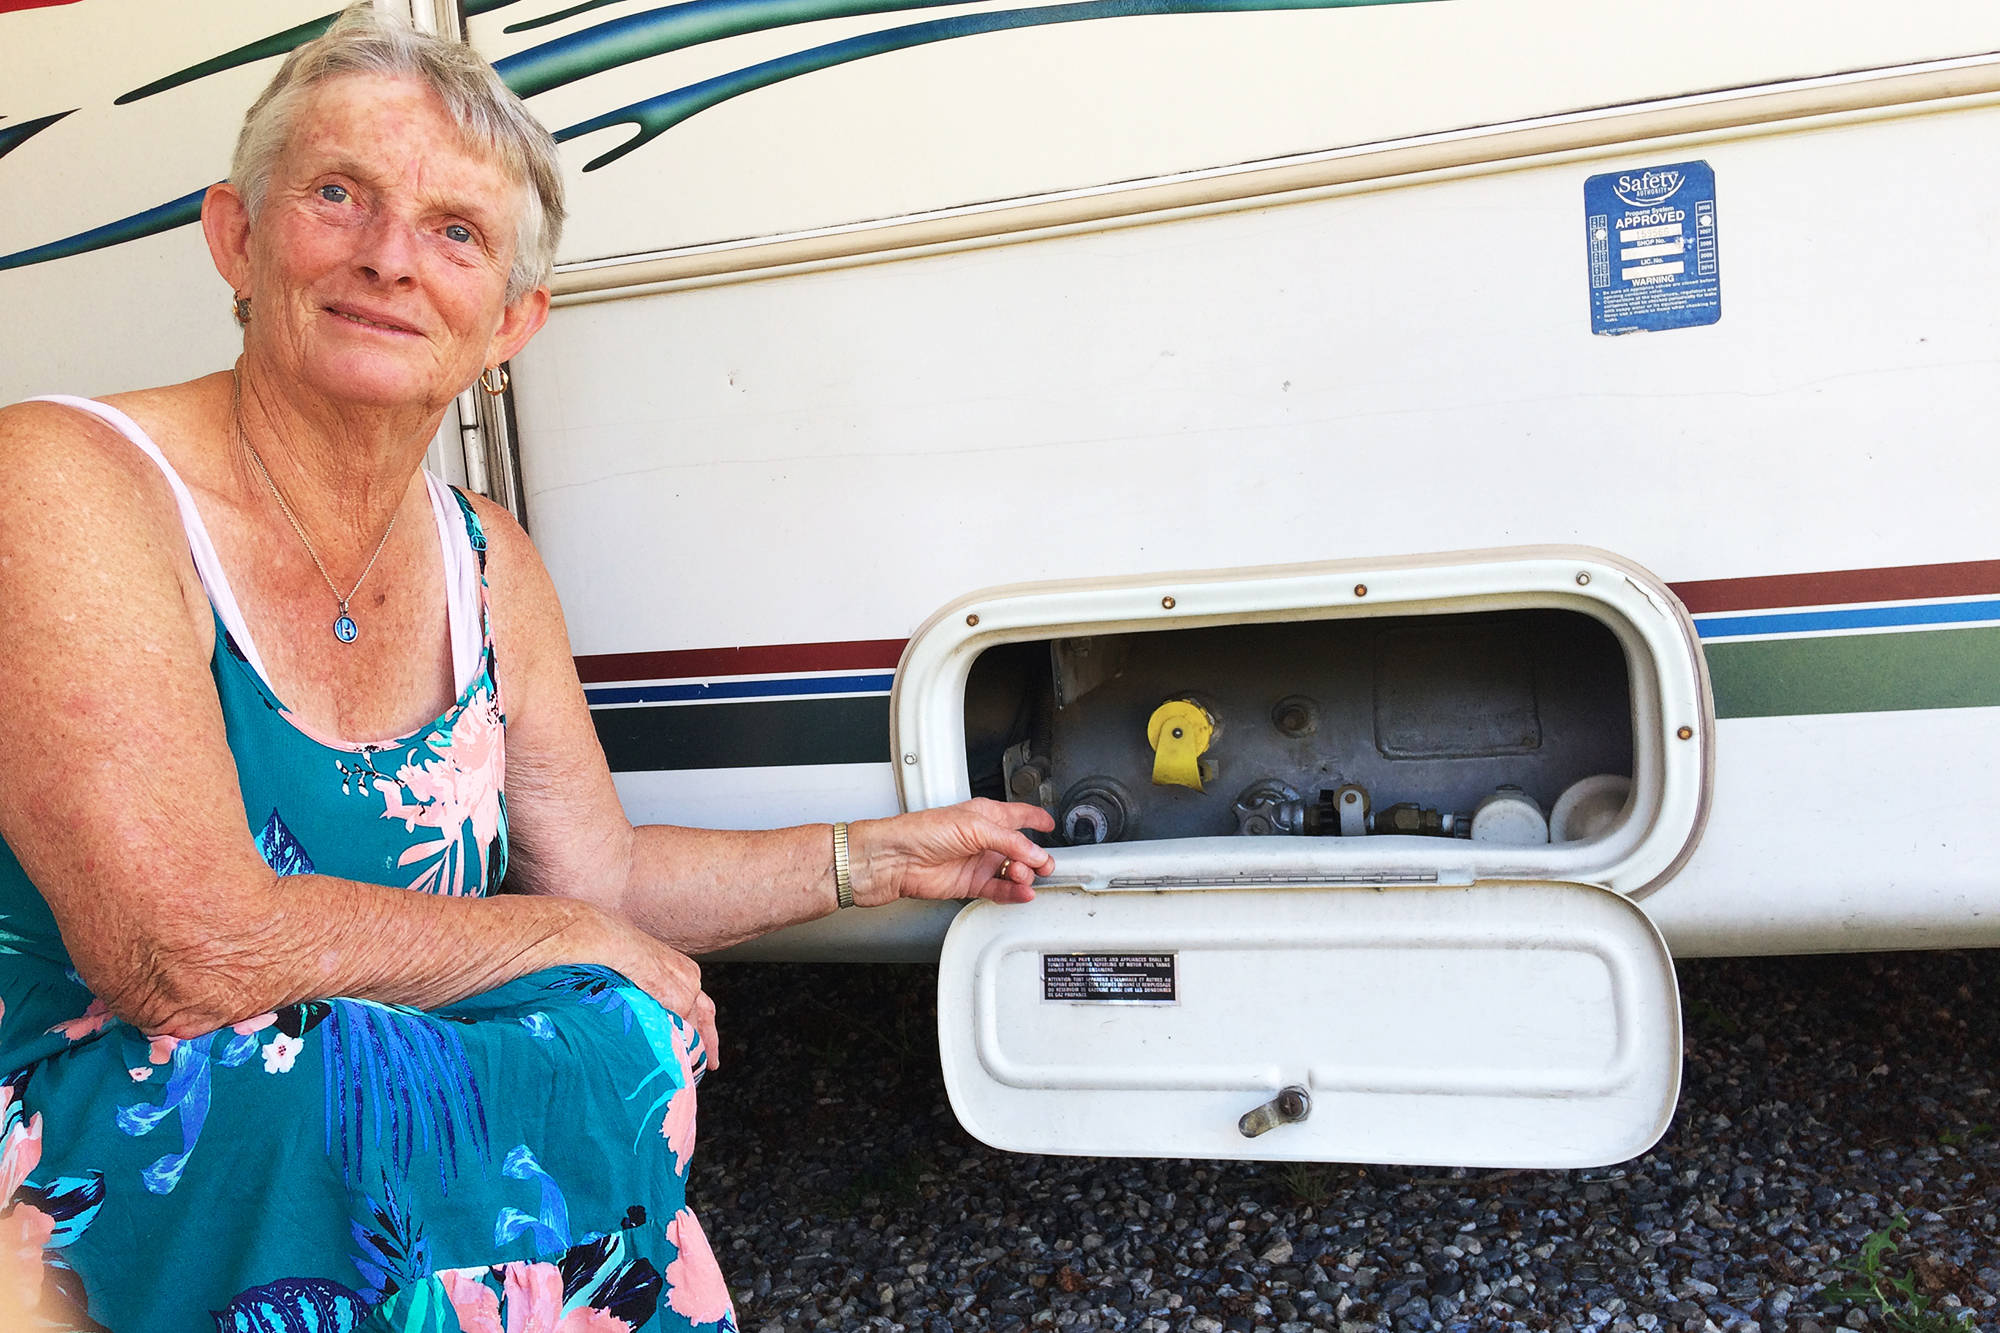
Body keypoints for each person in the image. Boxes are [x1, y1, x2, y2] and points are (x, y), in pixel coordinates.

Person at [0, 7, 1054, 1329]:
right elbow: (178, 948)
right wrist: (566, 939)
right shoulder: (67, 480)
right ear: (238, 237)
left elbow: (598, 874)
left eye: (455, 231)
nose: (391, 258)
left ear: (511, 319)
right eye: (339, 195)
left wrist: (876, 857)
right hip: (108, 1140)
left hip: (352, 1132)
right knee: (511, 1041)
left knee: (604, 1033)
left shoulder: (484, 557)